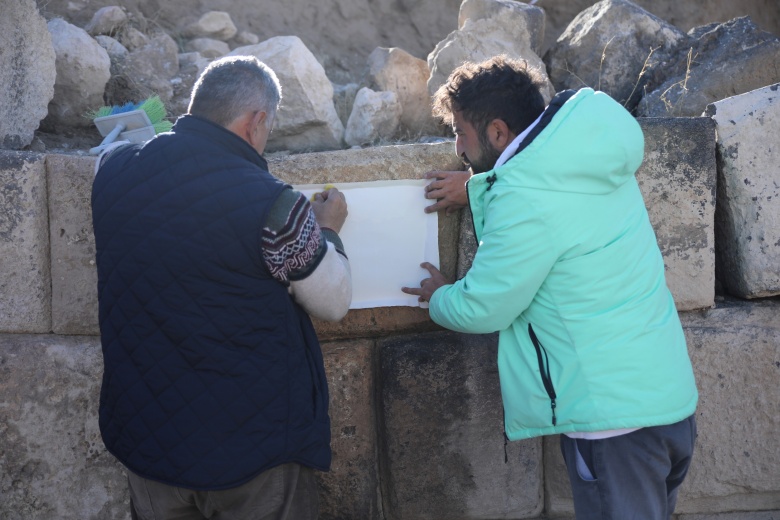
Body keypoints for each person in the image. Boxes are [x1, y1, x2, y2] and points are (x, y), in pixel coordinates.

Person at [402, 55, 698, 519]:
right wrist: (483, 183)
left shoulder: (523, 200)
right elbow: (547, 200)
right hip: (667, 402)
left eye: (461, 131)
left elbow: (485, 306)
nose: (457, 145)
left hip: (612, 424)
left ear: (498, 133)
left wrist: (439, 297)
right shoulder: (583, 150)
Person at [91, 55, 352, 520]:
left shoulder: (112, 175)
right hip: (251, 453)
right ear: (257, 122)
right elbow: (332, 301)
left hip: (147, 444)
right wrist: (328, 231)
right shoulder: (277, 205)